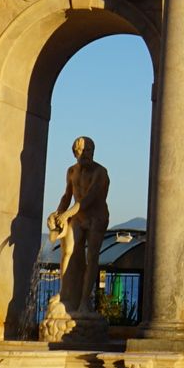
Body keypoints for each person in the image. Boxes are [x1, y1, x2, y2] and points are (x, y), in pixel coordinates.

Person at [49, 135, 111, 317]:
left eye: (88, 150)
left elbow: (89, 199)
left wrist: (67, 214)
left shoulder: (100, 172)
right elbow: (67, 195)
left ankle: (85, 301)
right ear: (74, 153)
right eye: (80, 151)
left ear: (93, 152)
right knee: (67, 252)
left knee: (91, 258)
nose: (85, 154)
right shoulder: (71, 171)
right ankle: (65, 294)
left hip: (96, 217)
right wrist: (58, 213)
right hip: (77, 216)